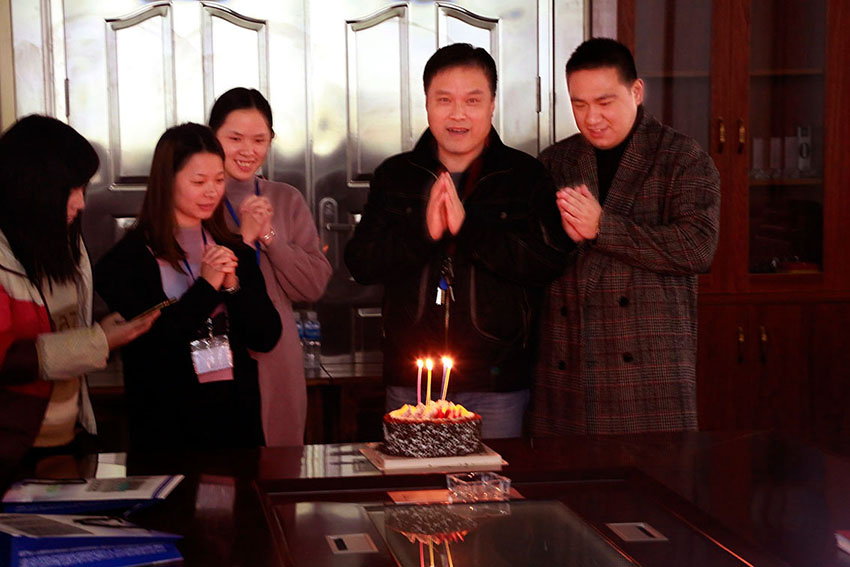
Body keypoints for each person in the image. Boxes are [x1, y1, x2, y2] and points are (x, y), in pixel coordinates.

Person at [344, 43, 570, 439]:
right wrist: (424, 234)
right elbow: (361, 263)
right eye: (444, 99)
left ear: (492, 104)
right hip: (411, 380)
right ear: (427, 103)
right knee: (413, 478)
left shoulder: (524, 176)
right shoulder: (396, 175)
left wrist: (469, 230)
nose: (458, 114)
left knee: (489, 478)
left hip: (497, 381)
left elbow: (546, 262)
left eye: (472, 100)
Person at [531, 38, 721, 434]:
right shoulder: (555, 161)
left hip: (648, 372)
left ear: (636, 91)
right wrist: (562, 240)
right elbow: (535, 256)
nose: (591, 118)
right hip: (569, 365)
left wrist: (604, 227)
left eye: (605, 102)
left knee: (658, 473)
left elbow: (697, 248)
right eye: (579, 104)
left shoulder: (681, 158)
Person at [94, 123, 282, 451]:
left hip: (234, 418)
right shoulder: (126, 260)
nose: (211, 192)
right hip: (166, 421)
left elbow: (266, 337)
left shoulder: (232, 249)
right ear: (166, 182)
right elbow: (156, 345)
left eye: (219, 180)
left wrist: (232, 286)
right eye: (198, 181)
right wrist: (207, 287)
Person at [0, 115, 158, 464]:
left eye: (83, 189)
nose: (81, 203)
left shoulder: (67, 245)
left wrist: (105, 335)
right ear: (33, 188)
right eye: (71, 190)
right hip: (13, 450)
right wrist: (97, 342)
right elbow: (6, 359)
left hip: (69, 437)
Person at [208, 88, 332, 447]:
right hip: (216, 348)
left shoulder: (286, 198)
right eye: (235, 139)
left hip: (275, 352)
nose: (248, 150)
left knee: (280, 457)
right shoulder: (200, 197)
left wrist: (270, 236)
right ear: (212, 136)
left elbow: (311, 286)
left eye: (259, 140)